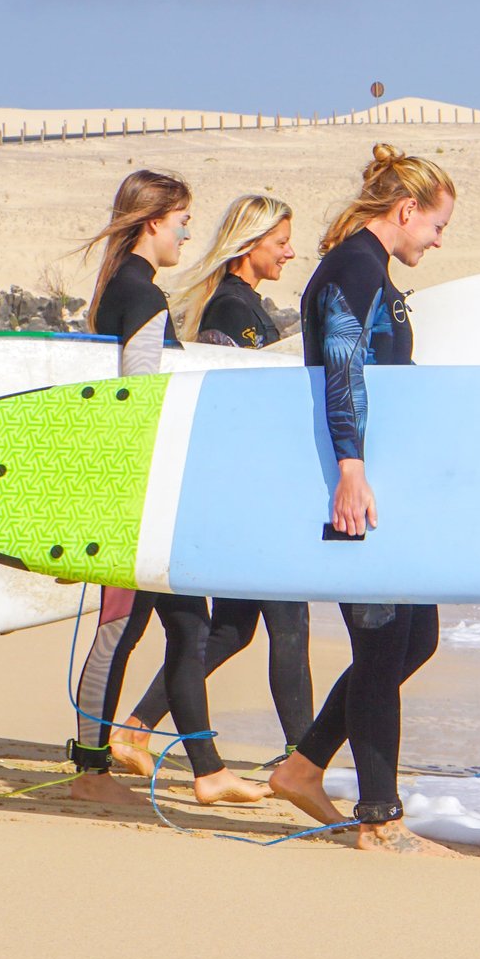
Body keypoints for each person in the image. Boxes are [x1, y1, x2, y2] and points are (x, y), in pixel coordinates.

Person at [264, 145, 458, 854]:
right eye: (435, 226)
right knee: (380, 640)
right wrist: (350, 466)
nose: (438, 240)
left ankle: (304, 765)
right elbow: (341, 367)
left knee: (415, 637)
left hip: (381, 481)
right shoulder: (353, 266)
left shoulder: (370, 267)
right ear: (405, 211)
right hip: (355, 481)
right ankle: (380, 817)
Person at [114, 195, 314, 776]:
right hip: (249, 493)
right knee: (288, 623)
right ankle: (304, 759)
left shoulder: (242, 304)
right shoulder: (232, 309)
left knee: (231, 629)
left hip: (245, 490)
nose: (290, 252)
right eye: (280, 242)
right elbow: (237, 408)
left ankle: (137, 727)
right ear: (249, 244)